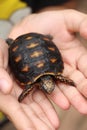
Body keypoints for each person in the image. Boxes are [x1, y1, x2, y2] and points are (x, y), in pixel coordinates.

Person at [1, 0, 87, 130]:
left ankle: (13, 43)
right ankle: (11, 43)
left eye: (48, 88)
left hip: (36, 39)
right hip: (32, 40)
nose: (50, 90)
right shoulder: (33, 84)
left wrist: (70, 82)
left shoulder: (45, 78)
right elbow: (27, 90)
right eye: (48, 87)